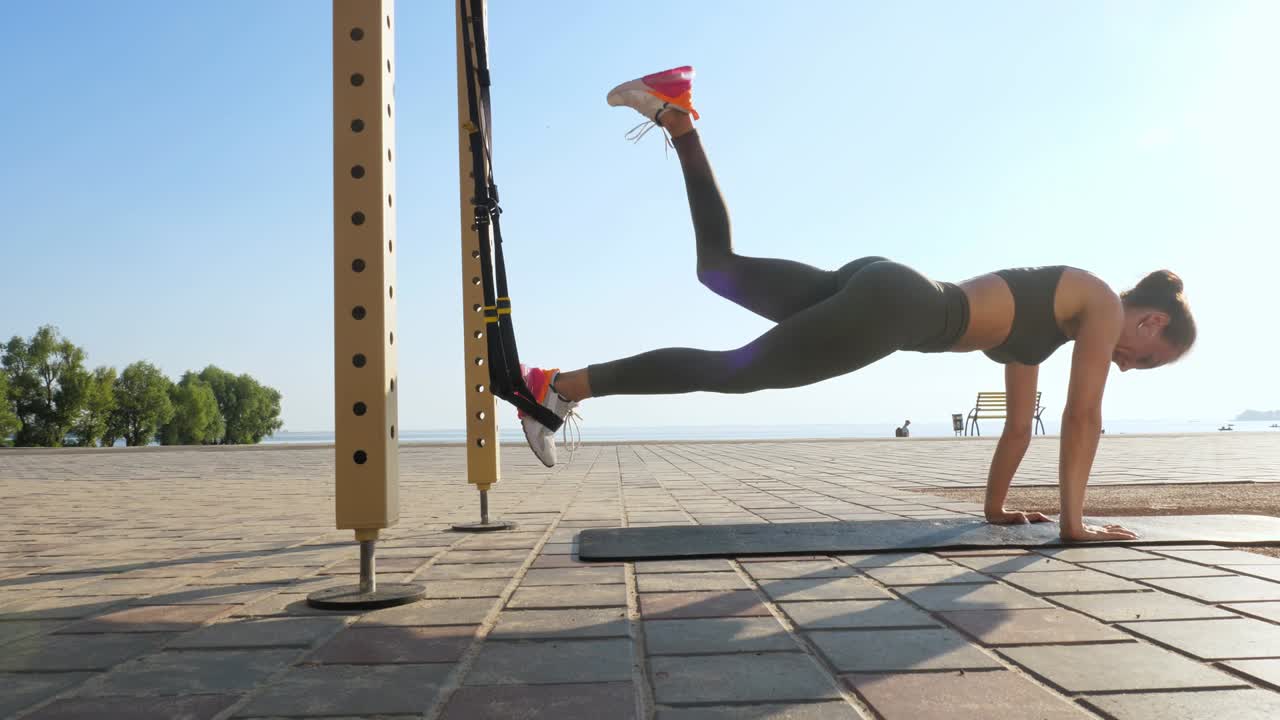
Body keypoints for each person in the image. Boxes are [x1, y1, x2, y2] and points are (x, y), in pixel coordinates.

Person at [518, 67, 1197, 543]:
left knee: (718, 270)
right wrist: (1075, 527)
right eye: (1148, 358)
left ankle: (677, 114)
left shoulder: (1056, 318)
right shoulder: (1102, 301)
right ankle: (557, 387)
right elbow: (1085, 417)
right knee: (736, 370)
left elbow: (1023, 426)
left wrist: (996, 510)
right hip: (894, 309)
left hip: (885, 282)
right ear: (1151, 320)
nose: (1131, 366)